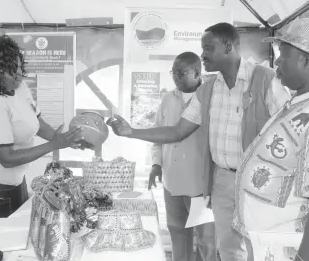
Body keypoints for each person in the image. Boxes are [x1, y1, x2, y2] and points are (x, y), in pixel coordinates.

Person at [107, 22, 291, 261]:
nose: (202, 54)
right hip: (223, 180)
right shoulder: (209, 90)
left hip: (259, 181)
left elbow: (290, 134)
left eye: (208, 48)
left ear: (228, 46)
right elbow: (177, 131)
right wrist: (131, 132)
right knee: (229, 249)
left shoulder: (267, 81)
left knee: (260, 248)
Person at [0, 35, 87, 218]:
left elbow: (37, 124)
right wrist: (54, 145)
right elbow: (6, 158)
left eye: (19, 67)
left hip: (15, 181)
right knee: (0, 243)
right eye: (10, 71)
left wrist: (66, 140)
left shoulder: (20, 88)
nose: (19, 75)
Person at [232, 16, 309, 261]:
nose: (278, 65)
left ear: (306, 60)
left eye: (283, 56)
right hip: (267, 243)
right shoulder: (296, 104)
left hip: (287, 248)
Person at [149, 52, 217, 261]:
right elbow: (158, 133)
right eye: (173, 72)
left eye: (180, 72)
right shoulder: (168, 99)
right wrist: (156, 164)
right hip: (172, 182)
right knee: (178, 234)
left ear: (197, 72)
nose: (175, 77)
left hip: (200, 186)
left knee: (206, 241)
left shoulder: (211, 97)